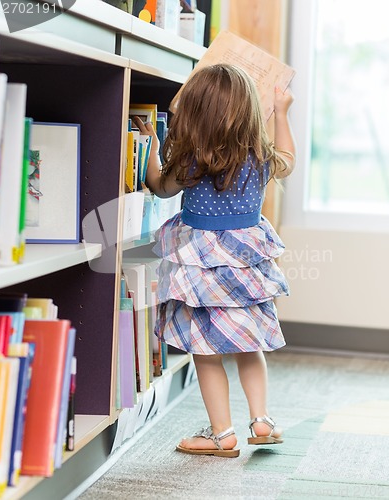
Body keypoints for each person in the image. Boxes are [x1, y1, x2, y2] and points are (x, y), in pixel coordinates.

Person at [133, 63, 295, 458]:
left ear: (192, 113)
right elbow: (288, 158)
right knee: (249, 346)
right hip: (244, 270)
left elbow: (157, 185)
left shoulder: (190, 163)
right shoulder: (259, 158)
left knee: (206, 355)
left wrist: (152, 146)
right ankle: (261, 421)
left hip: (200, 274)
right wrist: (283, 111)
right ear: (248, 113)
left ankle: (222, 434)